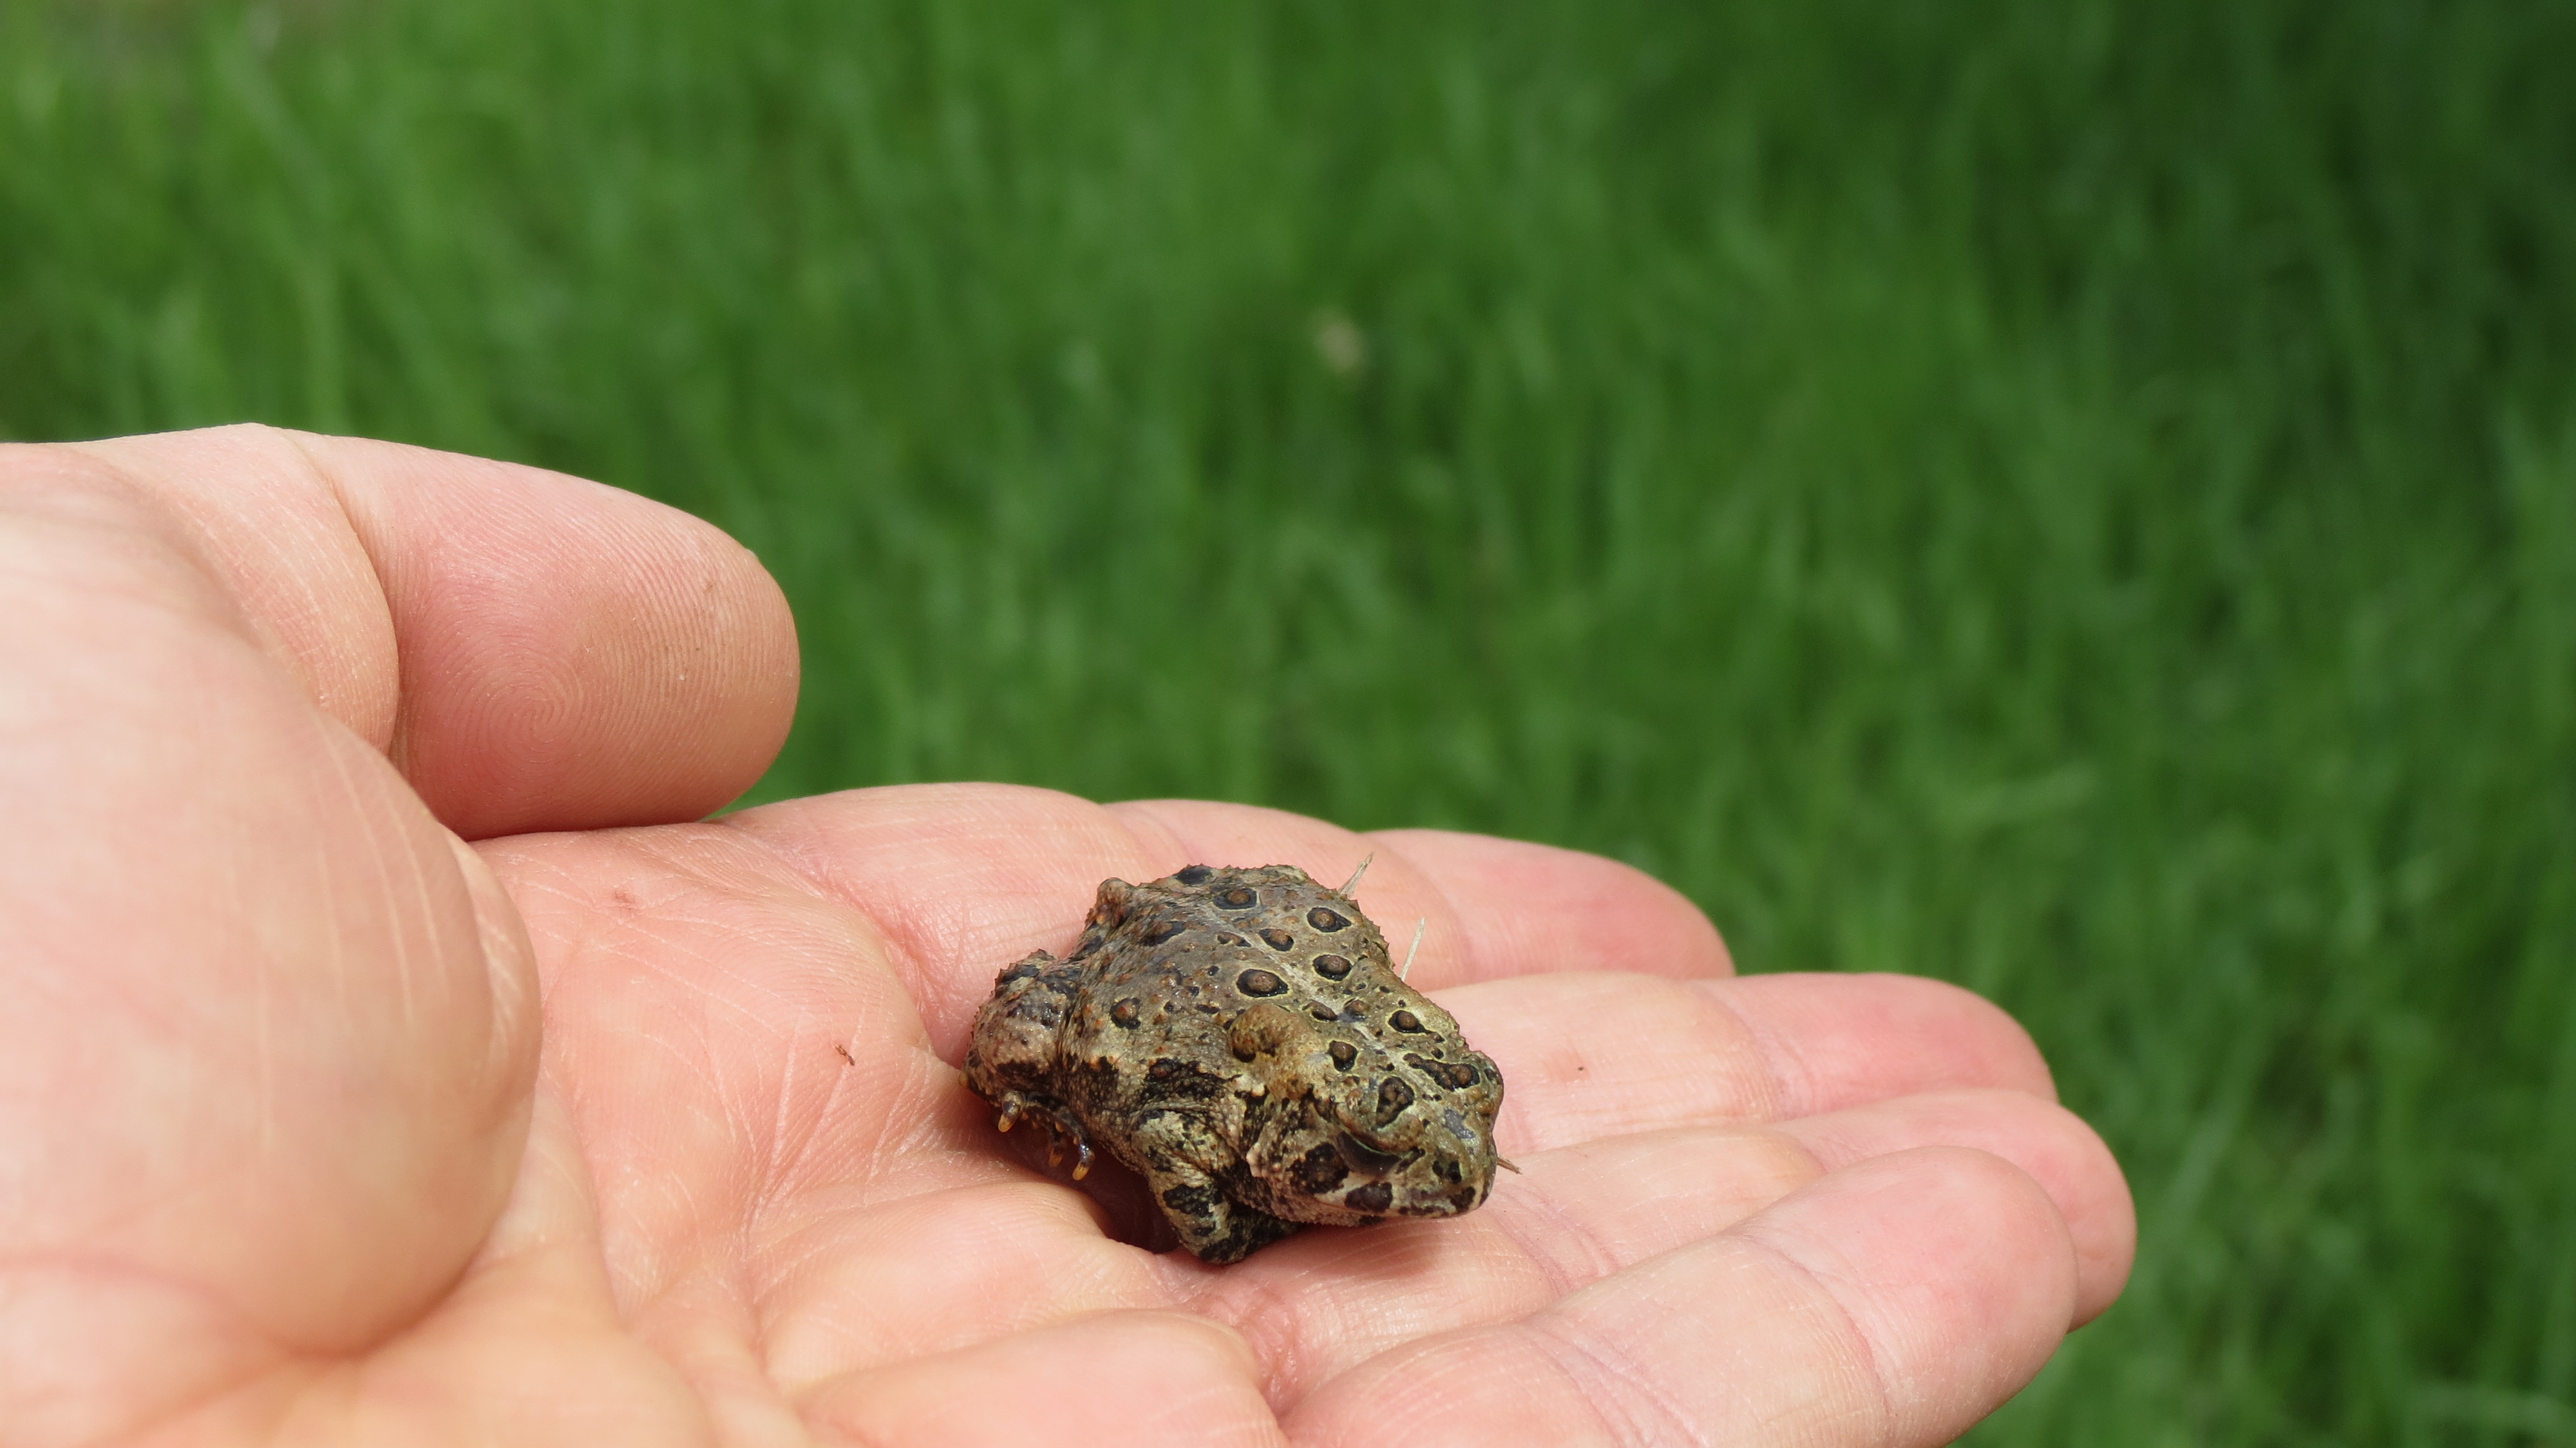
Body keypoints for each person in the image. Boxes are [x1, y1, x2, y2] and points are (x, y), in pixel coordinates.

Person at [0, 424, 2133, 1445]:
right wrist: (1200, 1217)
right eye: (1390, 1160)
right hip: (1151, 993)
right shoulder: (1237, 1130)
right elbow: (1182, 1161)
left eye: (1445, 1122)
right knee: (1048, 1054)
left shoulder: (1385, 1078)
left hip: (1256, 941)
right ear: (1312, 1150)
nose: (1438, 1175)